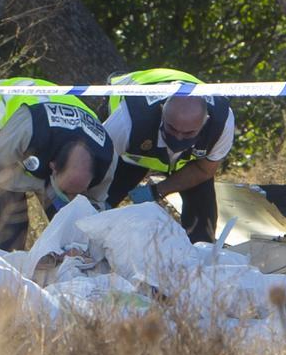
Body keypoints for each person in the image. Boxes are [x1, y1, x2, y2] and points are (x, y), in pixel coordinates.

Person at [0, 77, 115, 252]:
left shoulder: (107, 157)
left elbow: (95, 204)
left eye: (78, 191)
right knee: (10, 200)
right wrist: (43, 186)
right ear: (52, 167)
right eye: (67, 191)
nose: (70, 197)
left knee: (66, 212)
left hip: (55, 117)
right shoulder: (29, 129)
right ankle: (5, 259)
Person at [100, 68, 235, 244]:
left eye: (188, 133)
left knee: (203, 217)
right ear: (162, 112)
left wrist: (158, 190)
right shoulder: (129, 120)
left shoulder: (221, 124)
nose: (178, 137)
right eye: (172, 129)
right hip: (130, 150)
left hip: (188, 163)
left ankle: (198, 262)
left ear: (205, 121)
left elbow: (204, 170)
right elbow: (97, 162)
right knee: (99, 200)